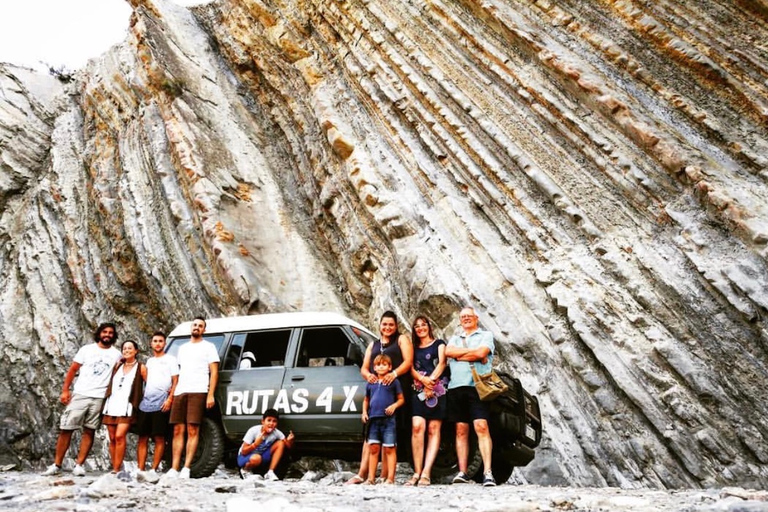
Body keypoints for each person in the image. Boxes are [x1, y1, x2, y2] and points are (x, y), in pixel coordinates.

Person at [43, 323, 122, 476]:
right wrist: (65, 390)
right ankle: (56, 464)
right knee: (66, 428)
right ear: (99, 333)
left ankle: (79, 465)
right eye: (104, 332)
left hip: (100, 397)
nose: (107, 335)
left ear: (114, 335)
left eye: (111, 333)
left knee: (90, 430)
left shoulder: (117, 354)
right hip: (81, 394)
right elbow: (73, 369)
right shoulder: (87, 349)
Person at [346, 311, 413, 485]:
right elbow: (364, 368)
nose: (388, 327)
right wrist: (368, 375)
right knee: (370, 436)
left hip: (395, 391)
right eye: (385, 324)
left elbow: (408, 361)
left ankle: (385, 476)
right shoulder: (373, 345)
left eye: (391, 324)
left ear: (396, 326)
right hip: (376, 393)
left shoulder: (401, 340)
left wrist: (394, 373)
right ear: (380, 325)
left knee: (390, 436)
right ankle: (362, 474)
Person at [444, 306, 497, 487]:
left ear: (476, 319)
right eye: (463, 317)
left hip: (477, 387)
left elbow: (482, 353)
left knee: (481, 427)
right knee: (461, 430)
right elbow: (448, 352)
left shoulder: (486, 336)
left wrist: (461, 356)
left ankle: (488, 472)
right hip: (456, 387)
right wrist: (472, 355)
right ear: (460, 320)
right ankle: (463, 472)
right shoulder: (454, 338)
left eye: (469, 316)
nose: (466, 318)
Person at [166, 316, 220, 479]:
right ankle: (174, 468)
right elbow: (179, 371)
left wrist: (210, 394)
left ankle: (186, 468)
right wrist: (172, 393)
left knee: (193, 429)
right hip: (181, 390)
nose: (196, 327)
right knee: (177, 430)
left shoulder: (209, 347)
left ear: (204, 330)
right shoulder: (183, 348)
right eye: (194, 325)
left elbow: (214, 372)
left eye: (200, 326)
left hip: (198, 389)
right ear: (191, 327)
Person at [405, 316, 449, 487]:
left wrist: (430, 381)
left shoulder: (439, 344)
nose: (420, 328)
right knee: (417, 427)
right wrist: (423, 382)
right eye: (417, 326)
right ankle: (416, 471)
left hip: (438, 389)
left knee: (433, 428)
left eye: (423, 325)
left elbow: (442, 363)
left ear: (429, 326)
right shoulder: (413, 348)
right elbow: (410, 366)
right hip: (418, 390)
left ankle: (426, 472)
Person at [136, 331, 178, 482]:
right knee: (142, 437)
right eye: (155, 341)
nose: (158, 343)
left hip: (162, 402)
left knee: (159, 437)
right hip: (146, 402)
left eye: (161, 341)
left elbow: (175, 381)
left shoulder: (171, 360)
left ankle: (153, 469)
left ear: (164, 344)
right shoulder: (150, 361)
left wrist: (170, 399)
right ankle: (140, 469)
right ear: (151, 344)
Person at [102, 340, 147, 479]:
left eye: (130, 348)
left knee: (120, 436)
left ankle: (116, 468)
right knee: (112, 438)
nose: (127, 350)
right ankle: (116, 466)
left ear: (136, 351)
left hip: (127, 405)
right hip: (112, 403)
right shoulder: (118, 366)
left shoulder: (141, 367)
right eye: (125, 348)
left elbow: (148, 384)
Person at [362, 354, 405, 485]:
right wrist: (364, 412)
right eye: (378, 365)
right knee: (374, 448)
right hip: (373, 420)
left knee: (389, 449)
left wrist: (394, 406)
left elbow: (401, 399)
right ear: (374, 367)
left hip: (388, 420)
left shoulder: (393, 382)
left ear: (390, 367)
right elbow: (366, 400)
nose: (381, 367)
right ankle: (370, 478)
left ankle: (390, 478)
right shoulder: (371, 383)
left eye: (384, 364)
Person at [237, 408, 295, 481]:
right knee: (256, 458)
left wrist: (290, 441)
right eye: (269, 420)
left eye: (274, 421)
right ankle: (246, 470)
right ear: (263, 421)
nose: (271, 423)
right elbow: (243, 451)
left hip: (261, 456)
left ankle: (270, 472)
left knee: (280, 443)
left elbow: (288, 446)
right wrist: (255, 444)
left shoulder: (277, 433)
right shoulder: (253, 431)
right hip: (245, 457)